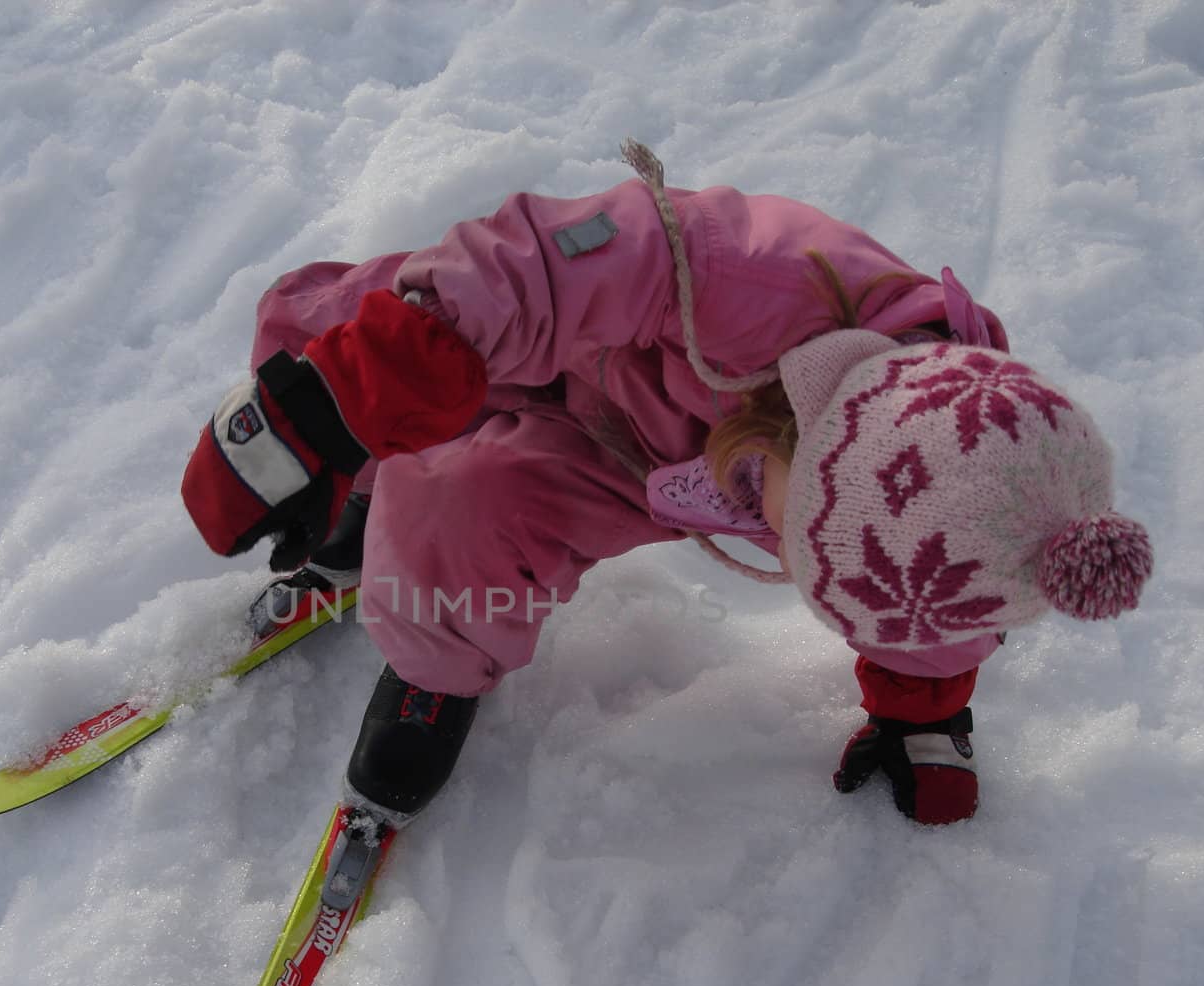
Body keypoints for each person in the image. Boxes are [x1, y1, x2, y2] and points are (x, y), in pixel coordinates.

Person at [180, 140, 1153, 834]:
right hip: (564, 342)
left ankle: (436, 655)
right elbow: (567, 260)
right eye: (787, 515)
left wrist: (923, 720)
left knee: (469, 506)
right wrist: (340, 401)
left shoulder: (969, 529)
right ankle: (359, 473)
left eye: (802, 561)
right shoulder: (753, 277)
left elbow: (931, 616)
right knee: (362, 333)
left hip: (629, 463)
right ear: (813, 409)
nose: (768, 541)